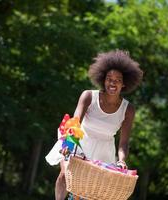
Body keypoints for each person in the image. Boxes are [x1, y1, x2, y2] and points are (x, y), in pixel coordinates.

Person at [45, 50, 143, 200]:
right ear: (103, 80)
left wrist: (121, 160)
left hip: (104, 150)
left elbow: (123, 143)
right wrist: (69, 145)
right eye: (109, 78)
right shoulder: (89, 96)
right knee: (65, 175)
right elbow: (75, 122)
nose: (112, 82)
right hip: (78, 142)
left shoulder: (128, 109)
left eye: (118, 80)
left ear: (124, 84)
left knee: (91, 192)